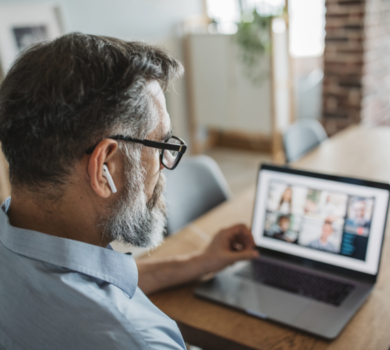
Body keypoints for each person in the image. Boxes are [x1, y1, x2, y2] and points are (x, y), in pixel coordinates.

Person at [0, 33, 259, 350]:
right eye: (161, 145)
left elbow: (90, 280)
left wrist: (200, 262)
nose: (164, 165)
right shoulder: (135, 339)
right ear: (105, 167)